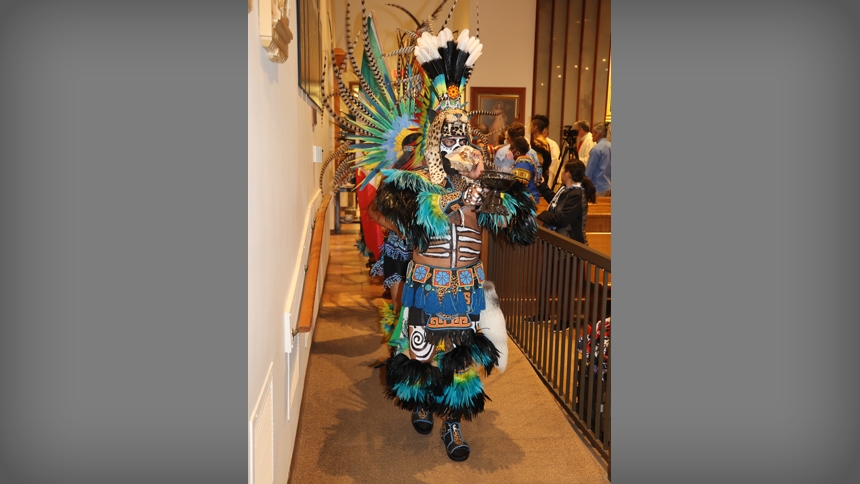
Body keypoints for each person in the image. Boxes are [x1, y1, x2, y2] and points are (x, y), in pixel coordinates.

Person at [373, 28, 537, 463]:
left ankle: (453, 424)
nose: (455, 140)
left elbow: (520, 225)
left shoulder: (481, 181)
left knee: (460, 359)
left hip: (465, 284)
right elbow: (389, 213)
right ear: (435, 137)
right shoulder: (417, 181)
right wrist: (444, 199)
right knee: (423, 350)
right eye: (448, 132)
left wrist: (491, 193)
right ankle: (424, 402)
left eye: (461, 132)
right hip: (427, 282)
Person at [536, 160, 597, 244]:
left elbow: (563, 219)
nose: (561, 172)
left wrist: (544, 215)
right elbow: (556, 202)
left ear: (568, 174)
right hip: (561, 240)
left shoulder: (577, 195)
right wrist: (542, 186)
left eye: (563, 170)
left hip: (570, 243)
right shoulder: (566, 189)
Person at [530, 114, 561, 189]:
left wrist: (537, 181)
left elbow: (538, 164)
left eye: (531, 125)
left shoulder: (538, 143)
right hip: (543, 177)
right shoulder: (544, 141)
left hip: (539, 179)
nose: (530, 127)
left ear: (535, 127)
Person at [510, 136, 541, 203]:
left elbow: (518, 188)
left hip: (526, 202)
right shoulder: (525, 161)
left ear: (517, 150)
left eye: (512, 148)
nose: (510, 150)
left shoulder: (522, 164)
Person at [585, 122, 611, 196]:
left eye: (593, 133)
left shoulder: (596, 149)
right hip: (608, 186)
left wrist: (585, 185)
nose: (592, 135)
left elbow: (589, 170)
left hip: (597, 187)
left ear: (598, 133)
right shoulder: (610, 146)